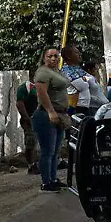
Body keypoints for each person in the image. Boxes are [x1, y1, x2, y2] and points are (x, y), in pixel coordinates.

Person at [33, 48, 70, 192]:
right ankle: (46, 182)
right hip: (46, 115)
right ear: (44, 58)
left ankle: (53, 179)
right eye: (50, 56)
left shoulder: (56, 71)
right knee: (47, 151)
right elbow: (41, 92)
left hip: (60, 113)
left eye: (55, 56)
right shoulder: (43, 72)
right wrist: (50, 111)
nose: (53, 59)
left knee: (55, 151)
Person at [16, 70, 39, 174]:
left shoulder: (41, 87)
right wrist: (27, 118)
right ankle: (31, 165)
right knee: (30, 143)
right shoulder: (24, 87)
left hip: (40, 119)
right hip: (30, 119)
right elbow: (19, 104)